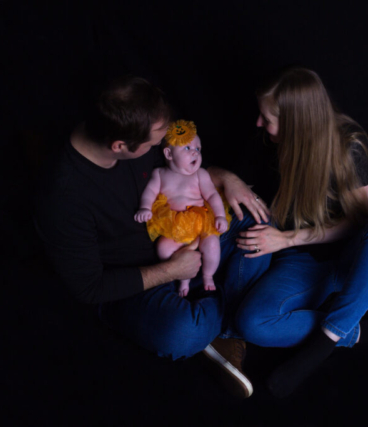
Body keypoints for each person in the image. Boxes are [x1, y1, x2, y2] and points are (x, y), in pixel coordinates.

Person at [35, 76, 271, 399]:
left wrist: (225, 177)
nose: (161, 147)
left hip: (188, 233)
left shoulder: (132, 120)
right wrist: (172, 271)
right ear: (120, 146)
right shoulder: (63, 199)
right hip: (138, 283)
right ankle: (231, 314)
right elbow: (90, 288)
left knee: (258, 222)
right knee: (181, 333)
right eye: (152, 143)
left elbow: (186, 174)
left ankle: (224, 322)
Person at [233, 67, 368, 398]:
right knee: (252, 323)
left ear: (295, 121)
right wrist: (226, 179)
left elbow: (360, 223)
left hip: (349, 262)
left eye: (267, 118)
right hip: (301, 262)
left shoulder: (350, 147)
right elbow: (240, 183)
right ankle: (356, 331)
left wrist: (287, 238)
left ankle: (321, 346)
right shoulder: (271, 142)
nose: (259, 123)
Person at [134, 119, 229, 296]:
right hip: (174, 227)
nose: (195, 153)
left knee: (213, 244)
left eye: (198, 149)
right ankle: (183, 277)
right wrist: (145, 208)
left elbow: (212, 195)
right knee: (163, 247)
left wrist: (220, 216)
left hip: (201, 224)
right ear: (168, 154)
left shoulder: (200, 174)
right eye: (188, 148)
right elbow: (150, 192)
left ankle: (208, 275)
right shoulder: (160, 174)